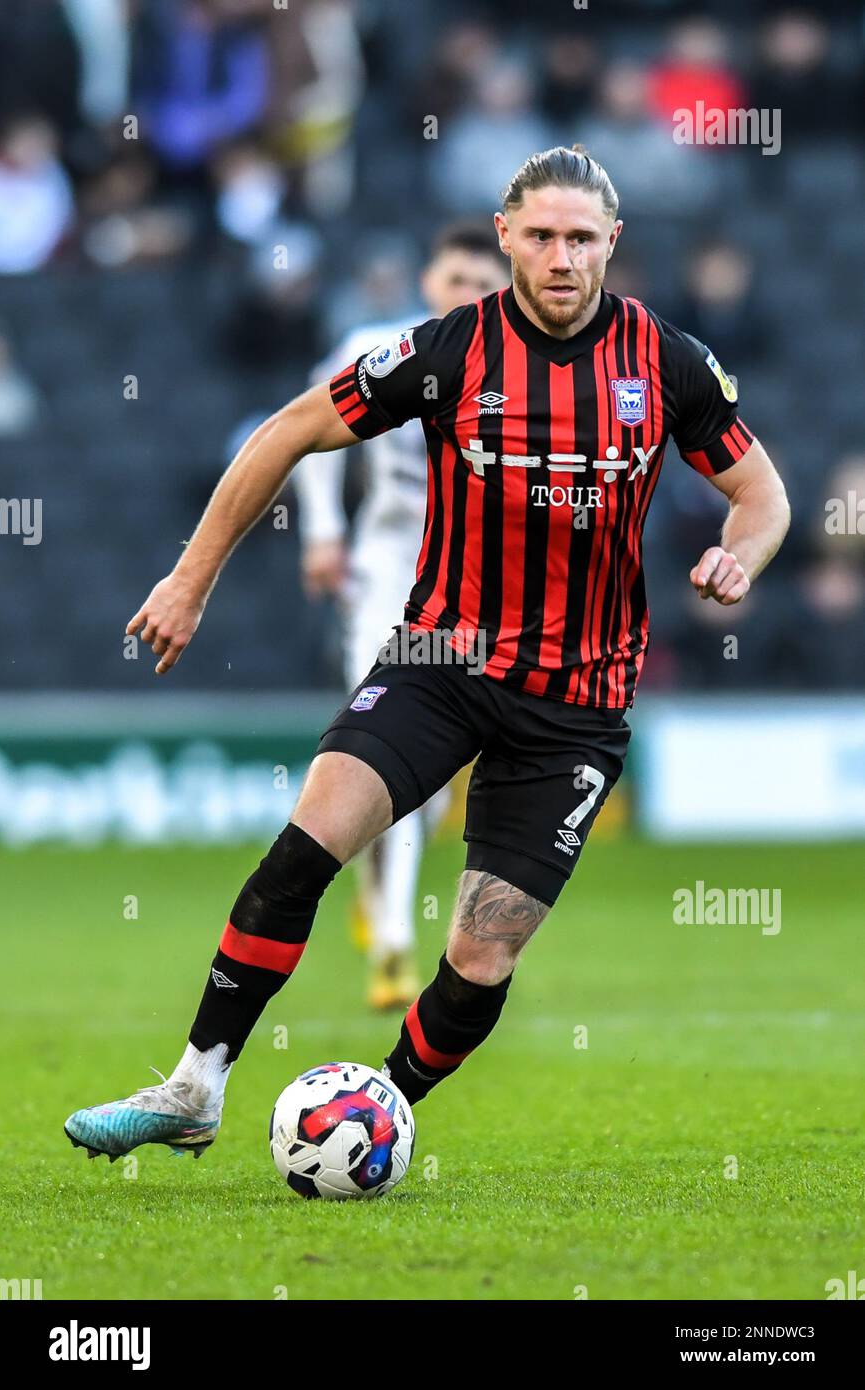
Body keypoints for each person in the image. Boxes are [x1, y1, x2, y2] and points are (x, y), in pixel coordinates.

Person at [65, 145, 790, 1162]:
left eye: (580, 238)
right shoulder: (447, 351)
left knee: (479, 955)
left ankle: (380, 1112)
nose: (559, 257)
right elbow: (286, 430)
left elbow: (760, 495)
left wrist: (738, 557)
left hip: (575, 704)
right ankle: (194, 1086)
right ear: (504, 238)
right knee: (301, 851)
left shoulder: (662, 361)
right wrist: (189, 580)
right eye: (538, 235)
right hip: (438, 658)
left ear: (610, 245)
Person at [295, 222, 509, 1009]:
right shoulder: (383, 347)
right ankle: (392, 945)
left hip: (485, 588)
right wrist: (321, 532)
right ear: (430, 283)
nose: (466, 296)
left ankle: (378, 890)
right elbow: (305, 430)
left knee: (446, 772)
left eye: (481, 285)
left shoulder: (520, 369)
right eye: (455, 280)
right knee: (387, 758)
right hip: (389, 575)